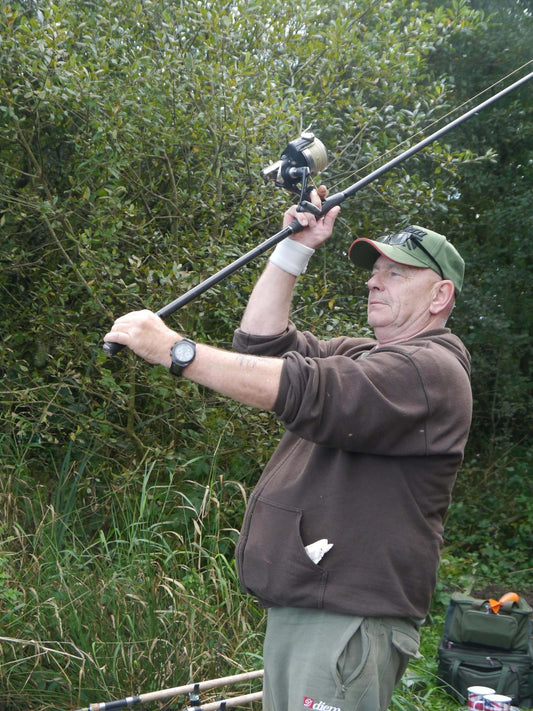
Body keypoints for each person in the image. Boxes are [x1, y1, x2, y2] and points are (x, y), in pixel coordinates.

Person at [104, 187, 472, 711]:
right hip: (314, 609)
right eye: (374, 270)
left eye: (397, 273)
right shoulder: (367, 355)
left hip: (347, 619)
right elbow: (262, 344)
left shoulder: (430, 371)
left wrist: (175, 351)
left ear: (439, 297)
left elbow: (305, 389)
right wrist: (294, 247)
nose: (373, 280)